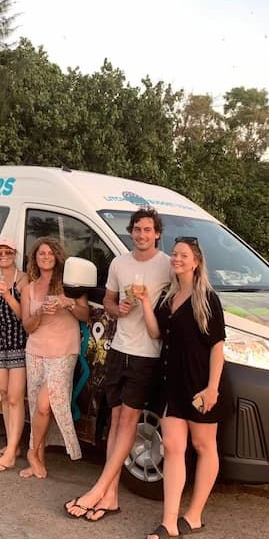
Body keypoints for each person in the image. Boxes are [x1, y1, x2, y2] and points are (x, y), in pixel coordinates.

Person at [64, 208, 171, 519]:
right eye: (137, 229)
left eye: (147, 230)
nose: (141, 235)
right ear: (131, 232)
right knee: (114, 419)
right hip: (118, 348)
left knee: (128, 420)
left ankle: (99, 488)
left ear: (157, 234)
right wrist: (118, 307)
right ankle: (110, 495)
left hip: (147, 353)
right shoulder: (119, 263)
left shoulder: (166, 265)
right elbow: (108, 302)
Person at [135, 237, 225, 539]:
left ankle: (195, 515)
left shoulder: (207, 299)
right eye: (174, 254)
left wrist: (212, 388)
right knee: (172, 448)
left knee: (203, 446)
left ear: (196, 261)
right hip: (171, 385)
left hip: (199, 385)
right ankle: (169, 522)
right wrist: (145, 303)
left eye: (183, 255)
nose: (177, 259)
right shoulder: (167, 297)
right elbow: (156, 332)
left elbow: (217, 347)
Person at [19, 237, 90, 479]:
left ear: (57, 256)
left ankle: (31, 451)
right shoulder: (29, 288)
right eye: (41, 253)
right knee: (37, 408)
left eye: (50, 253)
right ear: (35, 259)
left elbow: (85, 314)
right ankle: (38, 460)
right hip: (36, 350)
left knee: (44, 404)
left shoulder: (70, 283)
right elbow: (27, 326)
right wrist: (39, 312)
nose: (46, 257)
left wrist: (68, 303)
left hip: (64, 351)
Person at [0, 237, 29, 473]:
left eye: (8, 251)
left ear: (15, 253)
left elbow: (25, 316)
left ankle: (11, 452)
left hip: (19, 343)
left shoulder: (22, 279)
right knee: (3, 394)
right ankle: (12, 444)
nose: (3, 255)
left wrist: (9, 294)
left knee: (14, 397)